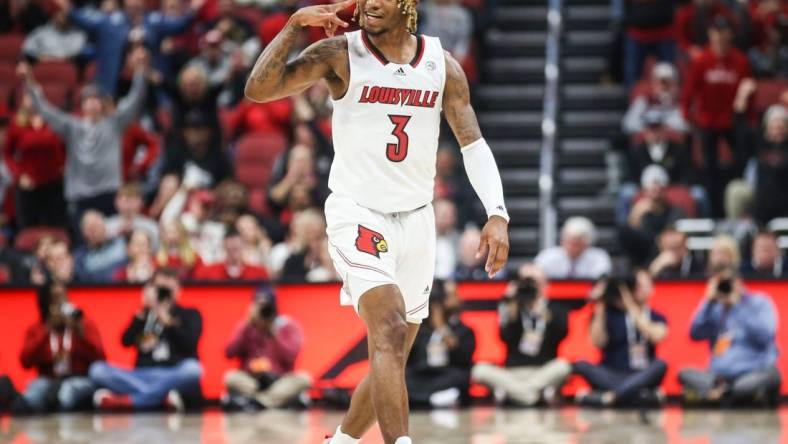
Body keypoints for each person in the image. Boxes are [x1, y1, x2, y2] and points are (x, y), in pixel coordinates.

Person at [244, 0, 510, 442]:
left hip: (417, 218)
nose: (369, 3)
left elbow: (473, 144)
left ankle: (344, 441)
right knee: (387, 327)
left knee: (393, 354)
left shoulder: (442, 65)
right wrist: (294, 26)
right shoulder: (340, 54)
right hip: (358, 212)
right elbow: (259, 89)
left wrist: (497, 213)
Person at [18, 50, 147, 223]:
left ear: (101, 104)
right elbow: (45, 109)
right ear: (82, 105)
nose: (92, 104)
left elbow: (135, 100)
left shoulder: (114, 123)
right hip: (81, 196)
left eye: (95, 99)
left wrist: (139, 71)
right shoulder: (72, 127)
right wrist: (28, 80)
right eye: (87, 100)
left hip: (109, 192)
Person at [89, 269, 203, 412]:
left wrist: (167, 320)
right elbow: (125, 341)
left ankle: (130, 401)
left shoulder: (190, 314)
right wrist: (143, 312)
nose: (163, 294)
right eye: (159, 289)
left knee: (193, 369)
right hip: (141, 375)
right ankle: (160, 397)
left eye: (167, 290)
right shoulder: (144, 315)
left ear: (178, 291)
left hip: (172, 373)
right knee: (97, 370)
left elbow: (189, 344)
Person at [679, 265, 781, 405]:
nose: (725, 286)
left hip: (754, 372)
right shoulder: (715, 308)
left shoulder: (759, 303)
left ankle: (721, 393)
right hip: (718, 376)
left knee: (765, 378)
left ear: (739, 282)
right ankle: (725, 392)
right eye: (721, 283)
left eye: (728, 281)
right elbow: (694, 334)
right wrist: (708, 302)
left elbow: (765, 336)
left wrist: (738, 306)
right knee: (684, 374)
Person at [680, 17, 751, 217]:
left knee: (740, 166)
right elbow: (688, 91)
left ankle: (737, 211)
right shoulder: (702, 60)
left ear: (731, 33)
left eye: (724, 30)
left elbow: (748, 92)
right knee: (708, 170)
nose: (720, 36)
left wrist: (749, 118)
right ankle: (712, 213)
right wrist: (687, 114)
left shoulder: (740, 61)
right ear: (710, 34)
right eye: (715, 31)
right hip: (707, 121)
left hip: (732, 121)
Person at [471, 264, 571, 406]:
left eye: (535, 282)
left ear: (545, 285)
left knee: (563, 366)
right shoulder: (511, 307)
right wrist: (510, 305)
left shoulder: (556, 309)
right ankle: (532, 396)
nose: (530, 287)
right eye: (525, 282)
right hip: (512, 373)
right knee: (479, 370)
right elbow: (504, 337)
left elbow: (562, 334)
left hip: (543, 371)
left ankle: (515, 394)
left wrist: (544, 316)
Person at [56, 0, 204, 95]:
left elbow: (180, 25)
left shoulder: (154, 21)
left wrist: (193, 10)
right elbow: (82, 20)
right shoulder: (109, 22)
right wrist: (67, 8)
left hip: (150, 89)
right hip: (113, 87)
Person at [574, 270, 669, 407]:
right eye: (637, 285)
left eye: (641, 286)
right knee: (581, 364)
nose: (637, 290)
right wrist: (601, 304)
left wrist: (630, 305)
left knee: (660, 364)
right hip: (612, 373)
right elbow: (597, 342)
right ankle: (639, 395)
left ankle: (610, 397)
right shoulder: (609, 314)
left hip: (642, 373)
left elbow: (657, 336)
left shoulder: (655, 316)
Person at [20, 282, 105, 412]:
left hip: (79, 378)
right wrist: (47, 329)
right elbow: (25, 361)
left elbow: (100, 357)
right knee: (32, 397)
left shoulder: (83, 324)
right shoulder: (38, 329)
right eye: (54, 299)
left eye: (62, 298)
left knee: (66, 394)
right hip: (48, 379)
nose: (59, 304)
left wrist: (79, 330)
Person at [223, 286, 311, 410]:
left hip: (280, 381)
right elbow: (229, 353)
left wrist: (274, 334)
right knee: (230, 377)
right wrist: (247, 325)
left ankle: (255, 402)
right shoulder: (246, 326)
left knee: (304, 379)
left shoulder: (287, 326)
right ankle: (273, 401)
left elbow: (291, 356)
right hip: (252, 380)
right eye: (259, 305)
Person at [3, 91, 68, 229]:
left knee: (56, 227)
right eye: (28, 97)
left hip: (54, 184)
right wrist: (19, 175)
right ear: (23, 101)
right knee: (29, 229)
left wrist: (65, 166)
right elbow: (8, 154)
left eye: (35, 96)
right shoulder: (17, 124)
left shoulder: (54, 121)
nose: (32, 100)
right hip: (29, 186)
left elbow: (66, 145)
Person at [406, 280, 476, 408]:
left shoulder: (463, 330)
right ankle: (432, 398)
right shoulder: (423, 329)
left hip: (446, 373)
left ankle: (424, 397)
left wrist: (440, 325)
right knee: (404, 377)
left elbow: (462, 358)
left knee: (459, 377)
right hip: (424, 373)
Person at [618, 165, 687, 266]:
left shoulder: (675, 211)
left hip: (669, 255)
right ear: (644, 191)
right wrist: (634, 216)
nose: (655, 195)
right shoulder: (641, 212)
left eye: (659, 190)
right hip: (645, 258)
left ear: (665, 190)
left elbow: (673, 239)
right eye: (652, 190)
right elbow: (631, 241)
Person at [535, 216, 611, 279]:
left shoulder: (599, 257)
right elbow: (533, 272)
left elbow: (602, 281)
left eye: (575, 243)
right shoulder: (548, 255)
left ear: (586, 244)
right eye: (567, 241)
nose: (569, 246)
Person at [73, 210, 128, 283]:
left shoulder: (121, 244)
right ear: (84, 232)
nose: (95, 232)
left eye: (97, 226)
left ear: (105, 225)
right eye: (90, 229)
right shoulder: (80, 257)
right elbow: (83, 280)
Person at [193, 230, 269, 281]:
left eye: (236, 248)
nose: (233, 253)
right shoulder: (209, 272)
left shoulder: (258, 273)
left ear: (243, 246)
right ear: (224, 247)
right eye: (230, 249)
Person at [105, 183, 159, 248]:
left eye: (132, 201)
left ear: (141, 202)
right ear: (116, 202)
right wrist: (116, 233)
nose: (128, 205)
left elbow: (156, 249)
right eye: (125, 200)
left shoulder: (151, 225)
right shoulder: (106, 225)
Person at [22, 9, 87, 62]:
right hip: (41, 67)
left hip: (67, 70)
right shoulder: (40, 32)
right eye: (59, 14)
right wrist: (38, 57)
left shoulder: (79, 35)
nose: (62, 18)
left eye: (65, 15)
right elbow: (27, 50)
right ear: (53, 16)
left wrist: (58, 59)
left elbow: (76, 55)